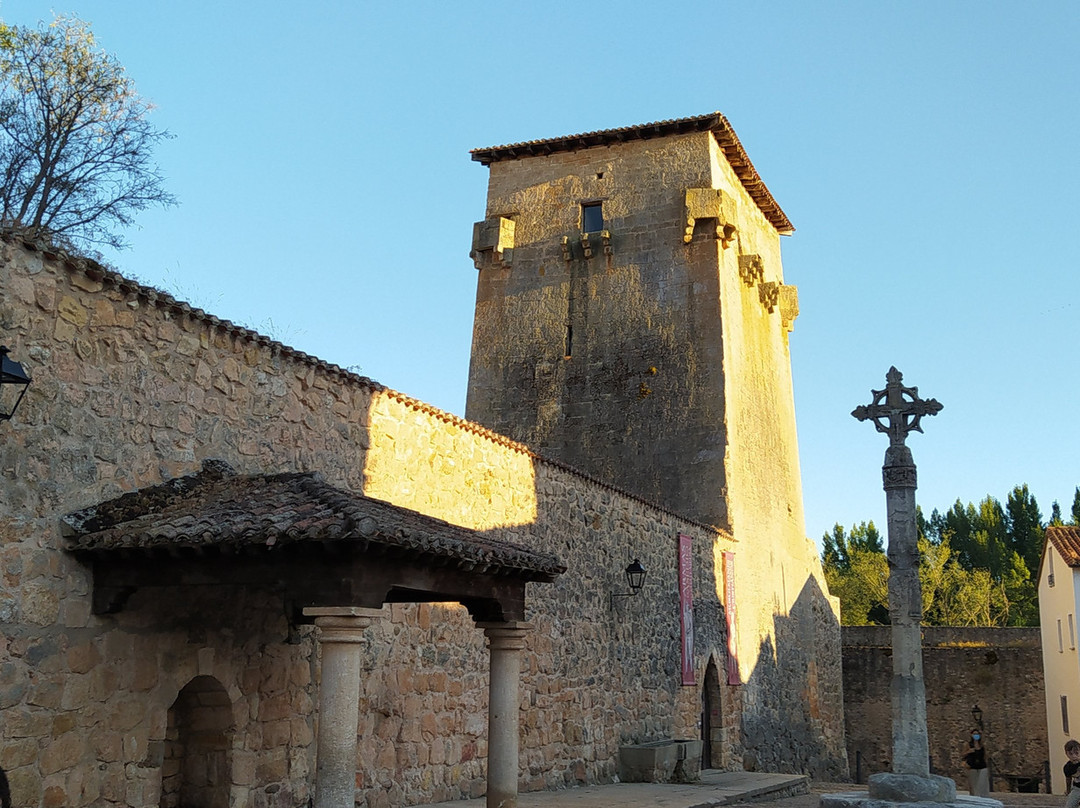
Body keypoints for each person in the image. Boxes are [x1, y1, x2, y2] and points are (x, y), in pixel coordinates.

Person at [963, 728, 990, 797]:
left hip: (982, 765)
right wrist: (968, 751)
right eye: (974, 734)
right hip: (972, 766)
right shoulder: (968, 745)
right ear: (971, 735)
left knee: (983, 783)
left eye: (977, 734)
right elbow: (963, 754)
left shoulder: (982, 745)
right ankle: (975, 797)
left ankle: (984, 797)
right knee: (973, 784)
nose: (976, 735)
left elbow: (985, 755)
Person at [1064, 739, 1080, 808]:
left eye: (1076, 753)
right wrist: (1068, 791)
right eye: (1070, 754)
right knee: (1070, 805)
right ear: (1066, 754)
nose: (1074, 756)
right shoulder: (1067, 767)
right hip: (1077, 788)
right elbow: (1068, 779)